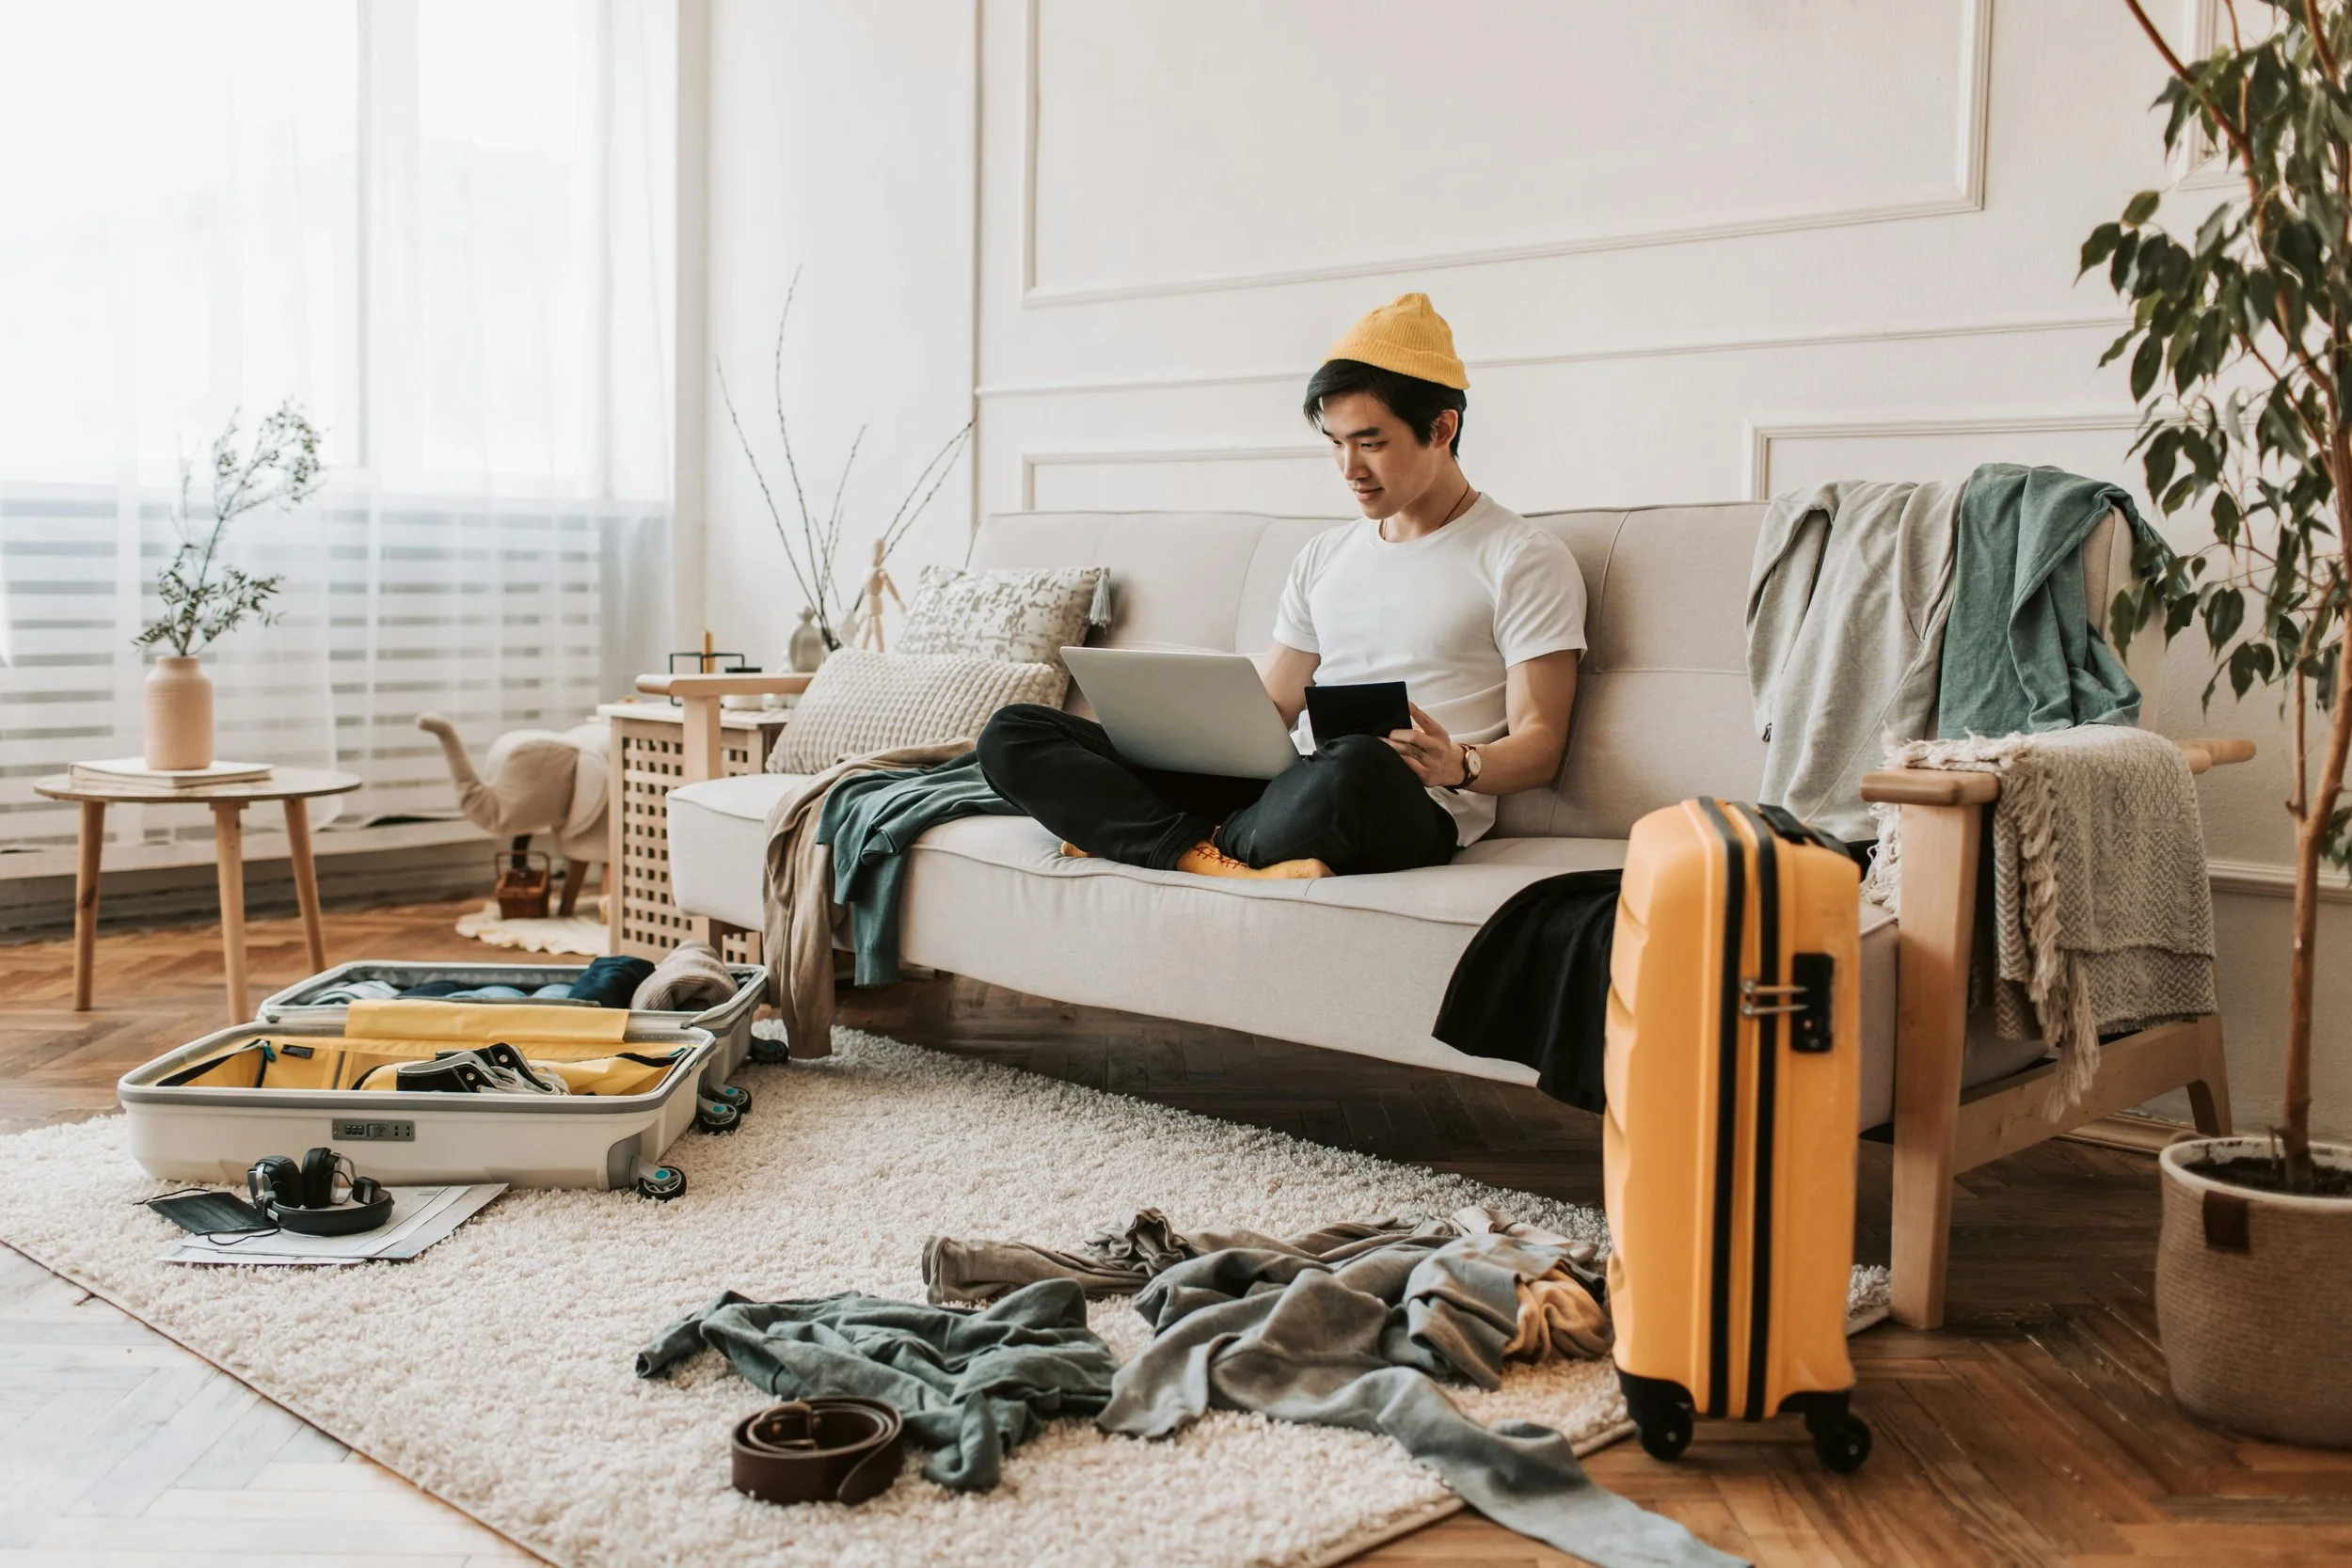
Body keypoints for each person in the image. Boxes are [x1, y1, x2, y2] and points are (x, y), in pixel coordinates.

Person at [977, 293, 1586, 879]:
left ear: (1442, 427)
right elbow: (1273, 711)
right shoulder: (1325, 555)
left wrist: (1461, 762)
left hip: (1399, 800)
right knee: (1015, 732)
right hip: (1283, 787)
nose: (1351, 470)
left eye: (1371, 443)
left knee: (1358, 762)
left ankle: (1148, 835)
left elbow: (1541, 743)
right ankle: (1203, 852)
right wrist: (1173, 730)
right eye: (1338, 444)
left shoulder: (1522, 557)